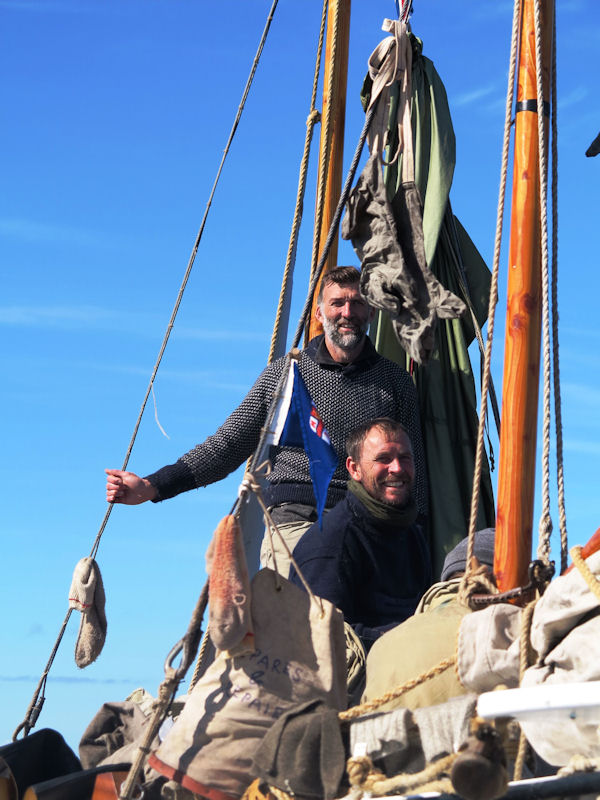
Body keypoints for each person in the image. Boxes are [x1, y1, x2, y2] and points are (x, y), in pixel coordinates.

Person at [105, 267, 427, 565]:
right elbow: (228, 444)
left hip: (372, 525)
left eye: (356, 303)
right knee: (297, 619)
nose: (347, 313)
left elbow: (416, 473)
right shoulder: (287, 374)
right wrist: (154, 485)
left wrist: (419, 543)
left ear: (371, 311)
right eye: (337, 303)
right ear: (319, 313)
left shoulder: (395, 383)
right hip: (298, 522)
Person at [288, 418, 432, 652]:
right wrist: (406, 637)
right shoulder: (331, 542)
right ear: (354, 469)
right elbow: (321, 639)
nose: (397, 468)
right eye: (383, 459)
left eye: (405, 458)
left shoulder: (413, 536)